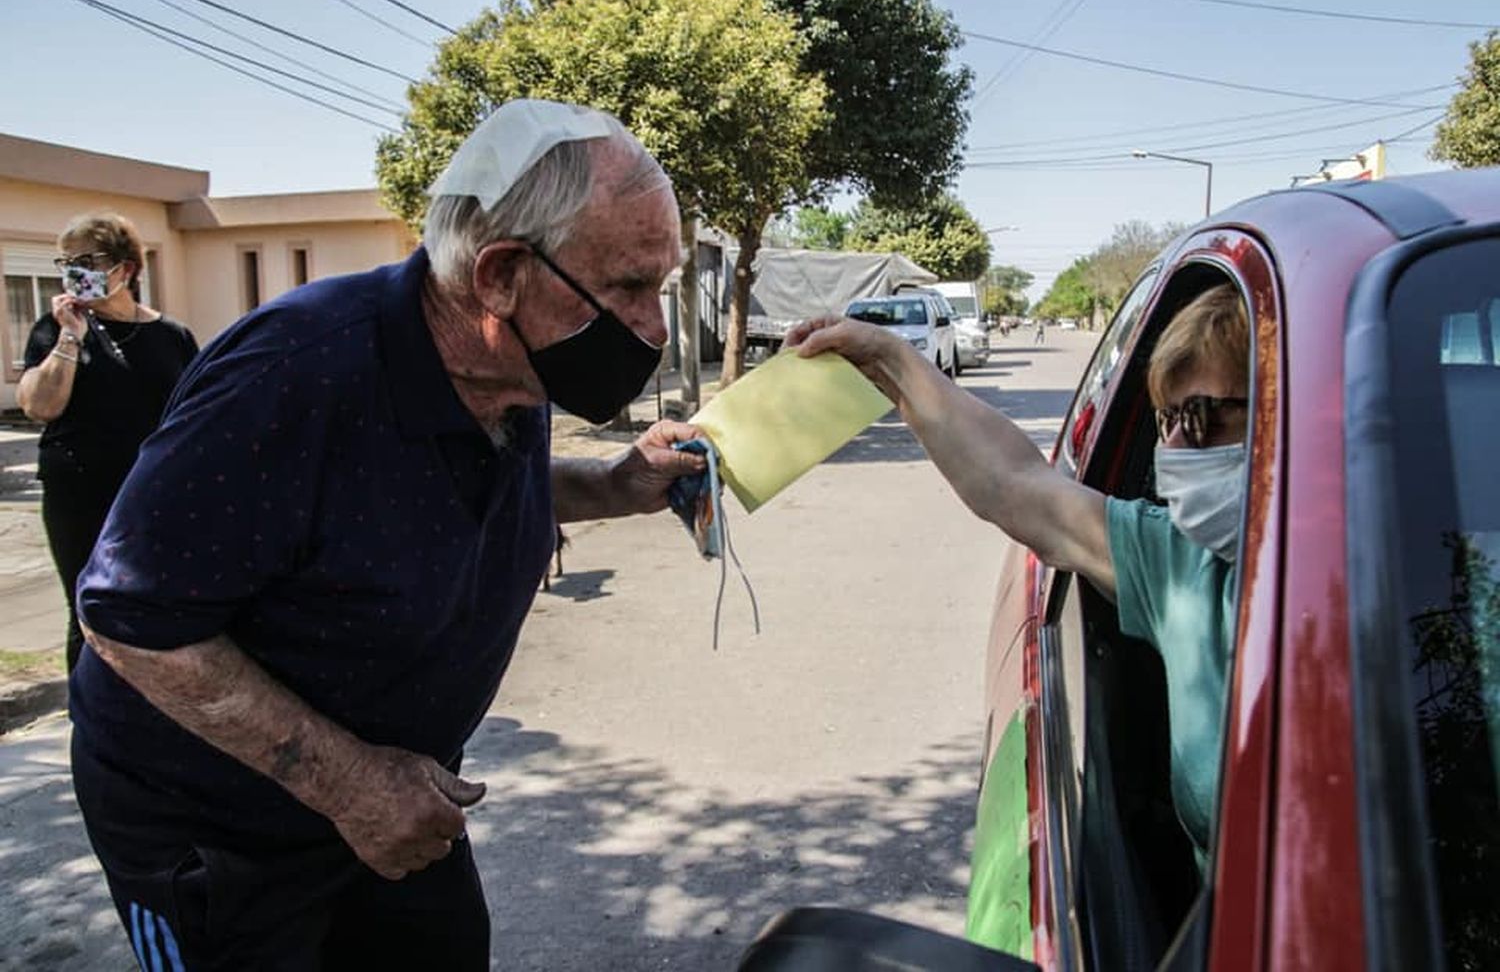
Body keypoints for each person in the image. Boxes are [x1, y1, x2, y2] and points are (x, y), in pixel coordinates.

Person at [69, 100, 704, 969]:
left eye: (659, 288)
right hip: (225, 832)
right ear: (500, 275)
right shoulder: (295, 373)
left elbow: (450, 491)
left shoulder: (508, 367)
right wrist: (350, 783)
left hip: (397, 796)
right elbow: (127, 615)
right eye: (630, 288)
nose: (655, 329)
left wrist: (612, 484)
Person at [789, 283, 1247, 869]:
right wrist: (889, 360)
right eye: (1167, 419)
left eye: (1203, 416)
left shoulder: (1390, 596)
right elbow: (1015, 483)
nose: (1177, 445)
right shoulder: (1183, 566)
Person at [16, 212, 199, 672]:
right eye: (68, 262)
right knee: (87, 610)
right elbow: (40, 406)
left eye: (88, 261)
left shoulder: (171, 337)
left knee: (156, 604)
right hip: (78, 493)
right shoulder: (54, 329)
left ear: (126, 270)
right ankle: (89, 717)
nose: (76, 272)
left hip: (149, 494)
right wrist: (68, 340)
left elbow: (194, 416)